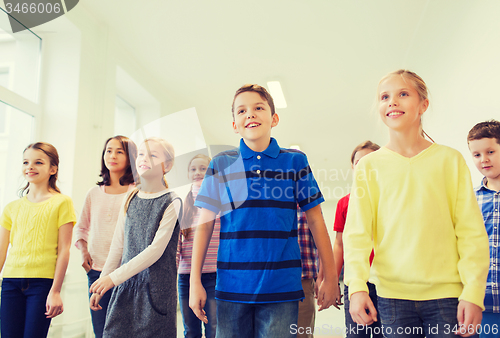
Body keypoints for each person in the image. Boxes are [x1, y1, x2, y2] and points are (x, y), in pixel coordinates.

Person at [344, 69, 489, 338]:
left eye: (403, 94)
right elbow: (357, 234)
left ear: (423, 104)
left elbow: (471, 232)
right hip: (391, 298)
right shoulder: (368, 167)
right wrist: (357, 288)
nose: (392, 102)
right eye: (384, 97)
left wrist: (473, 291)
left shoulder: (450, 160)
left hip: (449, 297)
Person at [190, 84, 340, 338]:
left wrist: (332, 276)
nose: (250, 114)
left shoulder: (295, 161)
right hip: (231, 288)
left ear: (274, 118)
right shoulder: (221, 163)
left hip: (282, 288)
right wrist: (195, 282)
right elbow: (204, 225)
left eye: (258, 107)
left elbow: (316, 220)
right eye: (242, 111)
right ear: (234, 124)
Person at [89, 137, 181, 338]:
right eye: (140, 154)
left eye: (153, 155)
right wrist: (101, 282)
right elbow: (118, 246)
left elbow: (155, 251)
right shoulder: (130, 197)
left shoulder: (172, 201)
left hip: (155, 294)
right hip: (125, 289)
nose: (144, 159)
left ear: (168, 165)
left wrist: (112, 278)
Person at [0, 142, 76, 338]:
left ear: (53, 169)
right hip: (10, 283)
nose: (30, 167)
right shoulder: (11, 208)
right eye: (26, 162)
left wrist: (56, 291)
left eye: (38, 162)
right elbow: (2, 250)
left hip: (42, 284)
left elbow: (64, 250)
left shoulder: (62, 202)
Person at [74, 135, 136, 338]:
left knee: (126, 331)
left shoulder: (136, 192)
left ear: (130, 158)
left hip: (127, 273)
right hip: (96, 273)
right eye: (109, 150)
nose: (112, 155)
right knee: (101, 331)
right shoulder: (93, 193)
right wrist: (83, 251)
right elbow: (81, 229)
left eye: (120, 151)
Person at [333, 140, 382, 338]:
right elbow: (339, 244)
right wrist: (334, 282)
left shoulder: (390, 200)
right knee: (356, 335)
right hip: (355, 282)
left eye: (370, 161)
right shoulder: (345, 203)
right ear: (353, 167)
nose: (363, 166)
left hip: (386, 283)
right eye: (359, 162)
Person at [177, 154, 220, 338]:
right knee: (190, 331)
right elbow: (176, 245)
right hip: (186, 277)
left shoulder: (219, 202)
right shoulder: (182, 203)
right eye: (193, 169)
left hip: (214, 275)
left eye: (203, 168)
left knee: (213, 329)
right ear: (187, 174)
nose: (198, 172)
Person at [467, 120, 500, 338]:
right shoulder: (470, 199)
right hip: (484, 303)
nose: (484, 159)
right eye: (477, 155)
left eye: (490, 151)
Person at [296, 207, 320, 338]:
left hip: (303, 280)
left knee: (302, 333)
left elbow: (320, 242)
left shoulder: (308, 204)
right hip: (274, 280)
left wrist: (323, 278)